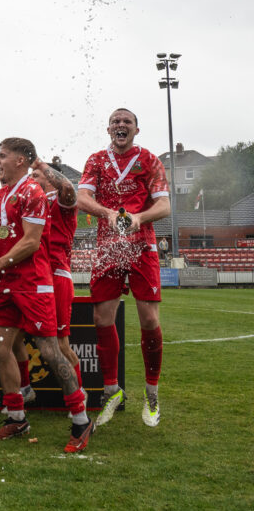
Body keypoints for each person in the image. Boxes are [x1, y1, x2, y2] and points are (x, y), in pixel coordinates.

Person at [0, 138, 93, 452]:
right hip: (5, 283)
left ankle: (80, 418)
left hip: (33, 284)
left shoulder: (33, 192)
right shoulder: (0, 197)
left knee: (51, 352)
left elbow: (31, 243)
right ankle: (16, 417)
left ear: (21, 161)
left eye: (2, 156)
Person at [77, 108, 170, 427]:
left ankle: (152, 393)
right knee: (102, 317)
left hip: (141, 244)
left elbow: (165, 205)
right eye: (115, 121)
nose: (120, 125)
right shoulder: (95, 160)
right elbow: (82, 197)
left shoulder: (150, 160)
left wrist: (139, 218)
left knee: (148, 318)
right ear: (108, 128)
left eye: (126, 122)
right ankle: (111, 391)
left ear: (136, 130)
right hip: (107, 246)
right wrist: (108, 214)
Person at [10, 157, 82, 403]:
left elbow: (68, 188)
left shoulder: (62, 201)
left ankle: (78, 396)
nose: (31, 179)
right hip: (28, 278)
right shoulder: (31, 203)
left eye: (36, 176)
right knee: (14, 338)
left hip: (56, 277)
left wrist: (40, 163)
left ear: (51, 178)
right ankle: (26, 389)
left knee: (60, 345)